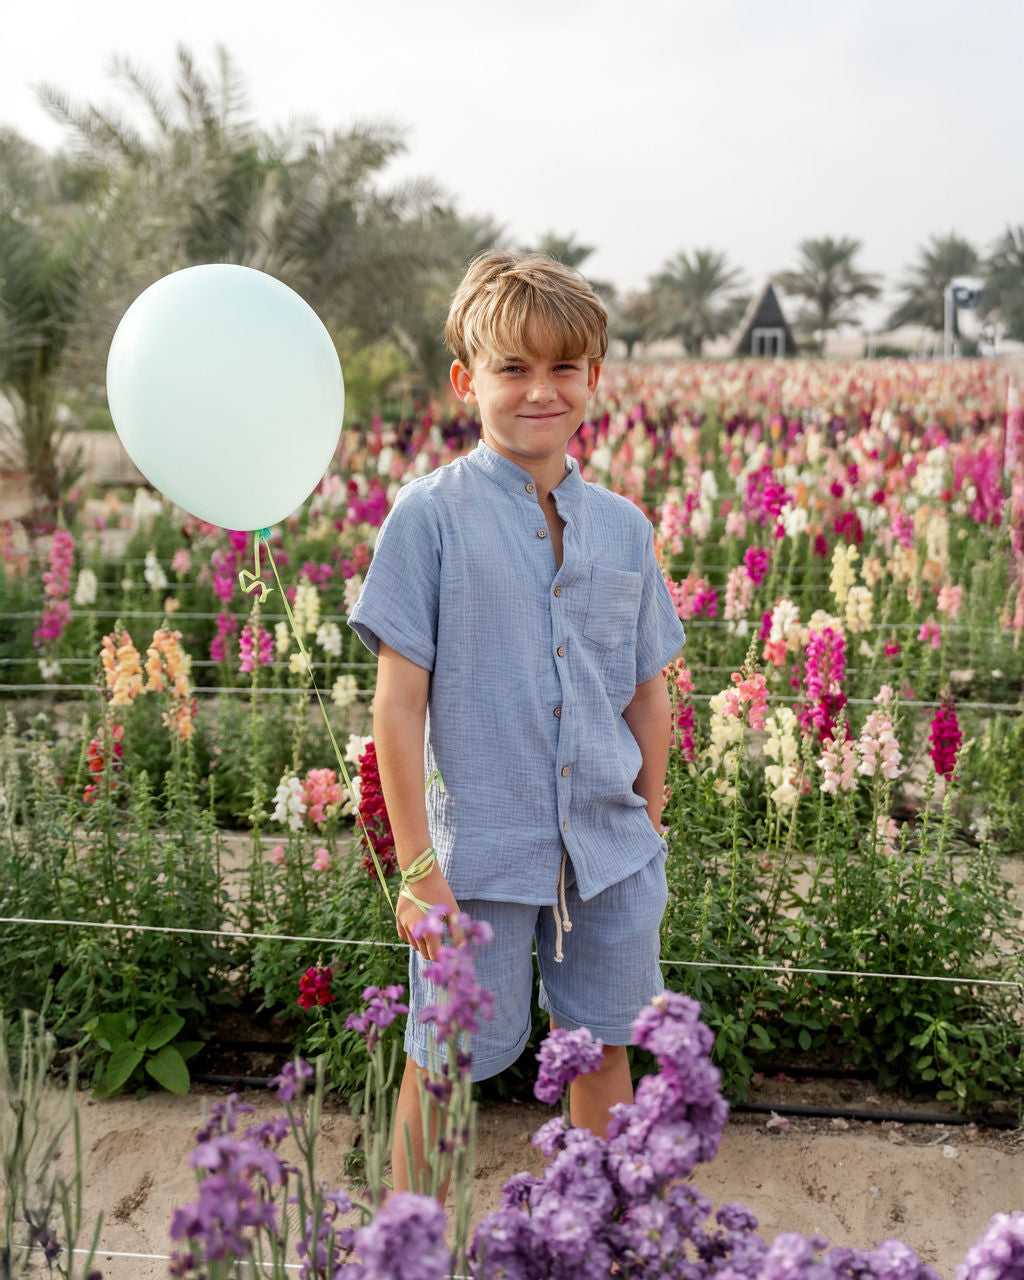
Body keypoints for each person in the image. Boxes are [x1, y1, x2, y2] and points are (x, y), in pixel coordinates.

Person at [348, 249, 685, 1195]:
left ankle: (599, 1230)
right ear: (467, 381)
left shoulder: (623, 527)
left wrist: (649, 820)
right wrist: (418, 873)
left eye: (563, 369)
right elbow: (398, 703)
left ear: (594, 380)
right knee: (445, 1058)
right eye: (513, 368)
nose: (541, 390)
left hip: (610, 853)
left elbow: (647, 687)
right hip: (480, 856)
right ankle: (406, 1249)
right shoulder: (429, 519)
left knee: (603, 1050)